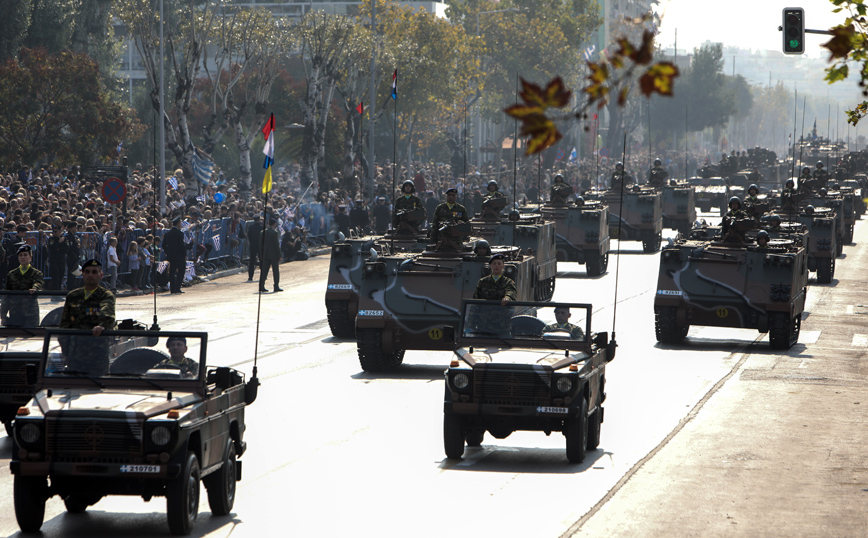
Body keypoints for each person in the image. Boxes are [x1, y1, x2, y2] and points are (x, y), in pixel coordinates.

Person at [59, 259, 115, 376]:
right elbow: (65, 325)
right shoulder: (73, 296)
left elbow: (107, 313)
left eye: (94, 272)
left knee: (97, 390)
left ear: (101, 275)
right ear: (82, 274)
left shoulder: (105, 296)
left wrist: (101, 325)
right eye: (87, 272)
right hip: (76, 354)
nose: (90, 275)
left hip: (97, 354)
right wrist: (65, 352)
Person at [1, 244, 43, 327]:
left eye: (25, 255)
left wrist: (34, 289)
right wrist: (3, 315)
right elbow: (6, 296)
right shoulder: (12, 274)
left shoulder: (36, 273)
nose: (23, 257)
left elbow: (38, 283)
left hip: (30, 313)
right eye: (20, 255)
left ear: (30, 257)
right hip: (15, 313)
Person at [162, 216, 186, 294]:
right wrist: (184, 254)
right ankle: (177, 287)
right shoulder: (179, 233)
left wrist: (167, 252)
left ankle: (172, 288)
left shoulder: (167, 234)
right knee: (181, 271)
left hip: (171, 256)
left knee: (172, 272)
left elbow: (164, 245)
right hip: (179, 256)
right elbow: (182, 245)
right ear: (178, 223)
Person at [259, 217, 283, 292]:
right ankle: (276, 286)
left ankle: (261, 286)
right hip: (273, 254)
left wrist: (261, 254)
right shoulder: (274, 233)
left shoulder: (262, 232)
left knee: (264, 271)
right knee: (275, 271)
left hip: (265, 254)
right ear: (274, 224)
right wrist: (279, 255)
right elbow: (276, 245)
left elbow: (260, 244)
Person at [47, 225, 67, 290]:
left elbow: (65, 248)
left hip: (61, 259)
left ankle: (59, 288)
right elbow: (52, 248)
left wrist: (59, 247)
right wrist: (59, 243)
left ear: (60, 231)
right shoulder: (51, 239)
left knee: (61, 275)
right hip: (54, 260)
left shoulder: (63, 238)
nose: (55, 233)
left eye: (56, 231)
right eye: (54, 231)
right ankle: (56, 290)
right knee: (55, 276)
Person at [245, 215, 263, 281]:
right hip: (260, 245)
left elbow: (249, 236)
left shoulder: (251, 227)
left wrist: (251, 242)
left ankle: (250, 276)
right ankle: (263, 275)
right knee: (261, 260)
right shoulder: (261, 227)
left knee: (252, 261)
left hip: (253, 245)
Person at [65, 221, 81, 290]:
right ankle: (70, 288)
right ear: (71, 228)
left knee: (74, 273)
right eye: (75, 227)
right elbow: (70, 248)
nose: (76, 228)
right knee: (71, 273)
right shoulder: (68, 236)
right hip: (71, 257)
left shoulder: (74, 236)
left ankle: (72, 287)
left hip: (74, 257)